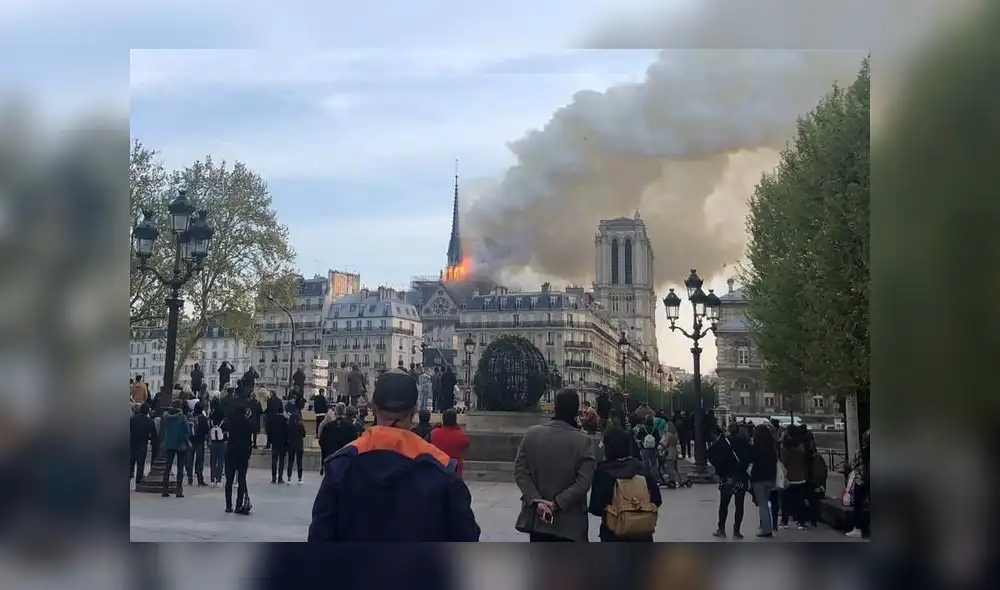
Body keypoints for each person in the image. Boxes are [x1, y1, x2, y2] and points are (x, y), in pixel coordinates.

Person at [308, 371, 480, 541]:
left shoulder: (341, 465)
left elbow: (319, 537)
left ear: (374, 407)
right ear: (414, 411)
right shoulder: (441, 468)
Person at [513, 388, 596, 542]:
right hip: (570, 523)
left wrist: (536, 500)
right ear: (576, 410)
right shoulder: (583, 441)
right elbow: (584, 483)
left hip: (538, 519)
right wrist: (557, 503)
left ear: (555, 407)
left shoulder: (532, 433)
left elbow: (519, 471)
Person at [588, 428, 662, 542]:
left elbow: (596, 507)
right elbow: (657, 499)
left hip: (613, 533)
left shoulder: (603, 471)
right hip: (641, 532)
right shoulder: (641, 468)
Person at [707, 423, 752, 539]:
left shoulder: (723, 443)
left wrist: (719, 470)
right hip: (741, 477)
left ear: (729, 431)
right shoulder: (745, 443)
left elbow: (711, 454)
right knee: (739, 505)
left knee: (724, 504)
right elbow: (750, 458)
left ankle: (721, 529)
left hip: (727, 477)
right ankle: (737, 530)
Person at [223, 393, 254, 514]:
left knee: (229, 480)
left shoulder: (230, 422)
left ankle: (228, 505)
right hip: (243, 453)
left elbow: (224, 429)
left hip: (231, 452)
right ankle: (238, 505)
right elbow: (252, 434)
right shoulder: (247, 423)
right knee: (241, 480)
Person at [748, 424, 779, 537]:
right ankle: (766, 526)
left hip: (758, 478)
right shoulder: (772, 447)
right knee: (766, 503)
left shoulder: (755, 447)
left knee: (763, 504)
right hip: (770, 478)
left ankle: (766, 529)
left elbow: (751, 461)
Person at [159, 399, 190, 498]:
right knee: (180, 467)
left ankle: (165, 489)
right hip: (180, 444)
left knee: (167, 466)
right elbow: (186, 431)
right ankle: (178, 490)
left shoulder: (166, 418)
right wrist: (187, 441)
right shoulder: (182, 417)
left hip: (169, 443)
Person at [779, 428, 809, 529]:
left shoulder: (784, 449)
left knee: (785, 501)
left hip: (787, 478)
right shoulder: (801, 448)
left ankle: (784, 521)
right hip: (800, 477)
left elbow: (782, 462)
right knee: (800, 501)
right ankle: (801, 522)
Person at [845, 429, 870, 538]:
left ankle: (858, 529)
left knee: (859, 506)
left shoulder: (861, 452)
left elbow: (852, 463)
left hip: (861, 481)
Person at [429, 409, 470, 475]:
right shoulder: (461, 436)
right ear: (455, 421)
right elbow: (467, 444)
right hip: (455, 472)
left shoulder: (434, 433)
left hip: (438, 469)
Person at [129, 403, 157, 487]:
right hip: (142, 443)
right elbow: (154, 435)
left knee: (130, 463)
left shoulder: (132, 419)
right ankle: (138, 481)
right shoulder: (149, 421)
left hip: (132, 442)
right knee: (140, 464)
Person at [185, 401, 210, 487]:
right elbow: (206, 430)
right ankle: (200, 479)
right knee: (199, 461)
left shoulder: (191, 417)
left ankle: (189, 479)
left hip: (191, 440)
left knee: (189, 461)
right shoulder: (203, 418)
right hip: (200, 441)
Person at [633, 415, 662, 485]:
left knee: (645, 463)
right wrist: (656, 445)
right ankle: (655, 478)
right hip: (653, 448)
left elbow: (638, 438)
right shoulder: (655, 428)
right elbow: (658, 438)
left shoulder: (642, 428)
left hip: (644, 448)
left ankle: (646, 477)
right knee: (654, 463)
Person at [208, 397, 227, 486]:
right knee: (220, 461)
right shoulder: (224, 421)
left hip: (213, 442)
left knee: (213, 461)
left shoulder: (211, 421)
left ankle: (212, 479)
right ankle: (219, 480)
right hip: (221, 442)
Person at [269, 410, 290, 484]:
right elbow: (288, 432)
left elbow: (269, 431)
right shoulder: (285, 421)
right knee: (281, 461)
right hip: (283, 443)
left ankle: (273, 478)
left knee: (274, 461)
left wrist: (271, 441)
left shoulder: (272, 420)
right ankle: (280, 478)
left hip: (275, 443)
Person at [286, 412, 307, 484]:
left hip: (291, 445)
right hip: (299, 446)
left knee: (290, 462)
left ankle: (289, 478)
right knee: (299, 462)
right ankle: (300, 478)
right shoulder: (300, 425)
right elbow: (304, 434)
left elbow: (287, 435)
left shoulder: (289, 425)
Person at [661, 420, 683, 487]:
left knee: (670, 468)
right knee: (675, 468)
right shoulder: (675, 433)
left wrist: (661, 444)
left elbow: (666, 443)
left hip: (669, 451)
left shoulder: (668, 434)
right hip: (674, 450)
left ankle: (673, 480)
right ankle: (680, 480)